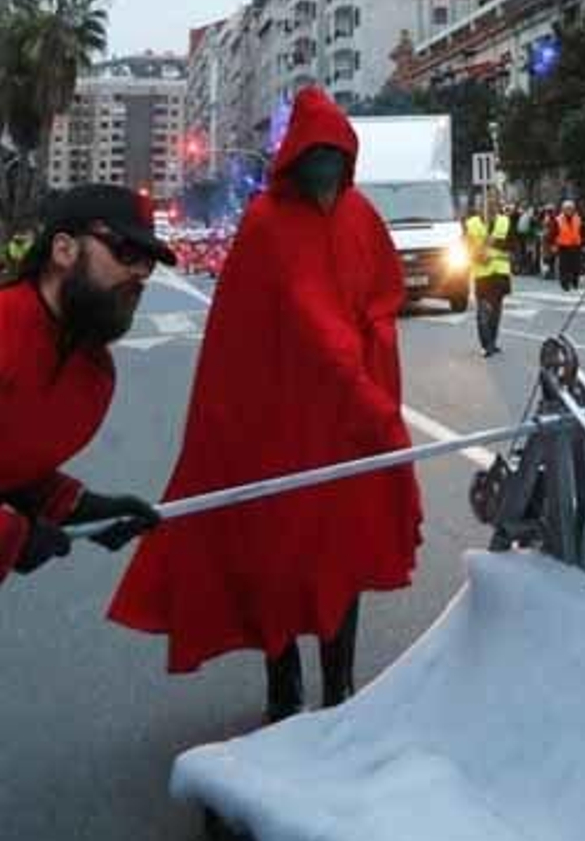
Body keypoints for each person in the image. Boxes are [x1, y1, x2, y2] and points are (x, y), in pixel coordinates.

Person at [109, 88, 422, 722]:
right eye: (317, 156)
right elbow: (304, 322)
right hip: (280, 424)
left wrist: (371, 365)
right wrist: (365, 392)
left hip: (342, 428)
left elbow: (384, 294)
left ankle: (339, 689)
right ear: (296, 160)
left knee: (344, 553)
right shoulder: (266, 223)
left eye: (337, 155)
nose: (327, 170)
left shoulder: (362, 218)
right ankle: (285, 690)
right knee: (277, 559)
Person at [1, 185, 167, 589]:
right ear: (63, 251)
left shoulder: (93, 374)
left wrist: (79, 508)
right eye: (127, 252)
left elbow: (14, 468)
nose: (141, 273)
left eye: (149, 263)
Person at [465, 187, 513, 356]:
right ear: (480, 205)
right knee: (483, 312)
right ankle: (486, 344)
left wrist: (494, 243)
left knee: (496, 312)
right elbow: (466, 247)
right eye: (488, 202)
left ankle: (492, 341)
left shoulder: (504, 221)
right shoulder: (471, 223)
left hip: (500, 273)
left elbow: (512, 245)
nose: (492, 205)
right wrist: (478, 255)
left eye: (495, 201)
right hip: (482, 273)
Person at [553, 198, 585, 291]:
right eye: (567, 208)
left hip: (576, 246)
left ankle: (575, 283)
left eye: (571, 208)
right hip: (563, 246)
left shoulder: (578, 219)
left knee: (576, 266)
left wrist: (584, 243)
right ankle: (565, 284)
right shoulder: (558, 219)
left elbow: (583, 232)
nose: (569, 210)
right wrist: (553, 245)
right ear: (563, 209)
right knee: (564, 267)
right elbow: (553, 232)